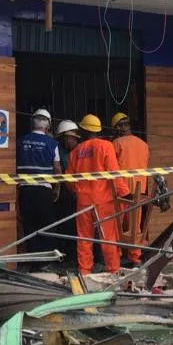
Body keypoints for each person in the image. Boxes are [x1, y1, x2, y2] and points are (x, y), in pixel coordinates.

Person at [68, 114, 131, 275]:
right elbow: (114, 173)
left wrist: (79, 190)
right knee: (108, 237)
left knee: (84, 238)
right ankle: (113, 270)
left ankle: (84, 271)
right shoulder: (106, 146)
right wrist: (125, 192)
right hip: (104, 201)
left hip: (83, 201)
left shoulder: (75, 152)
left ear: (82, 130)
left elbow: (69, 180)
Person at [15, 109, 61, 263]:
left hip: (25, 190)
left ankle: (33, 262)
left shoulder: (20, 141)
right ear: (48, 126)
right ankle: (47, 262)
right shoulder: (52, 143)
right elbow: (58, 170)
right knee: (47, 225)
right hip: (44, 191)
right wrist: (57, 189)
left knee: (29, 226)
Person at [110, 113, 151, 266]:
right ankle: (134, 257)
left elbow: (111, 167)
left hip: (121, 190)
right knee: (135, 227)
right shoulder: (143, 144)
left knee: (118, 226)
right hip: (139, 190)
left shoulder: (116, 143)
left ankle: (117, 256)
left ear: (120, 127)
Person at [52, 119, 82, 268]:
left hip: (76, 194)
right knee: (66, 227)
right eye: (72, 138)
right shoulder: (60, 152)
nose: (74, 141)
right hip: (65, 195)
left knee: (75, 227)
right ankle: (67, 256)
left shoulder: (77, 151)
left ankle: (72, 256)